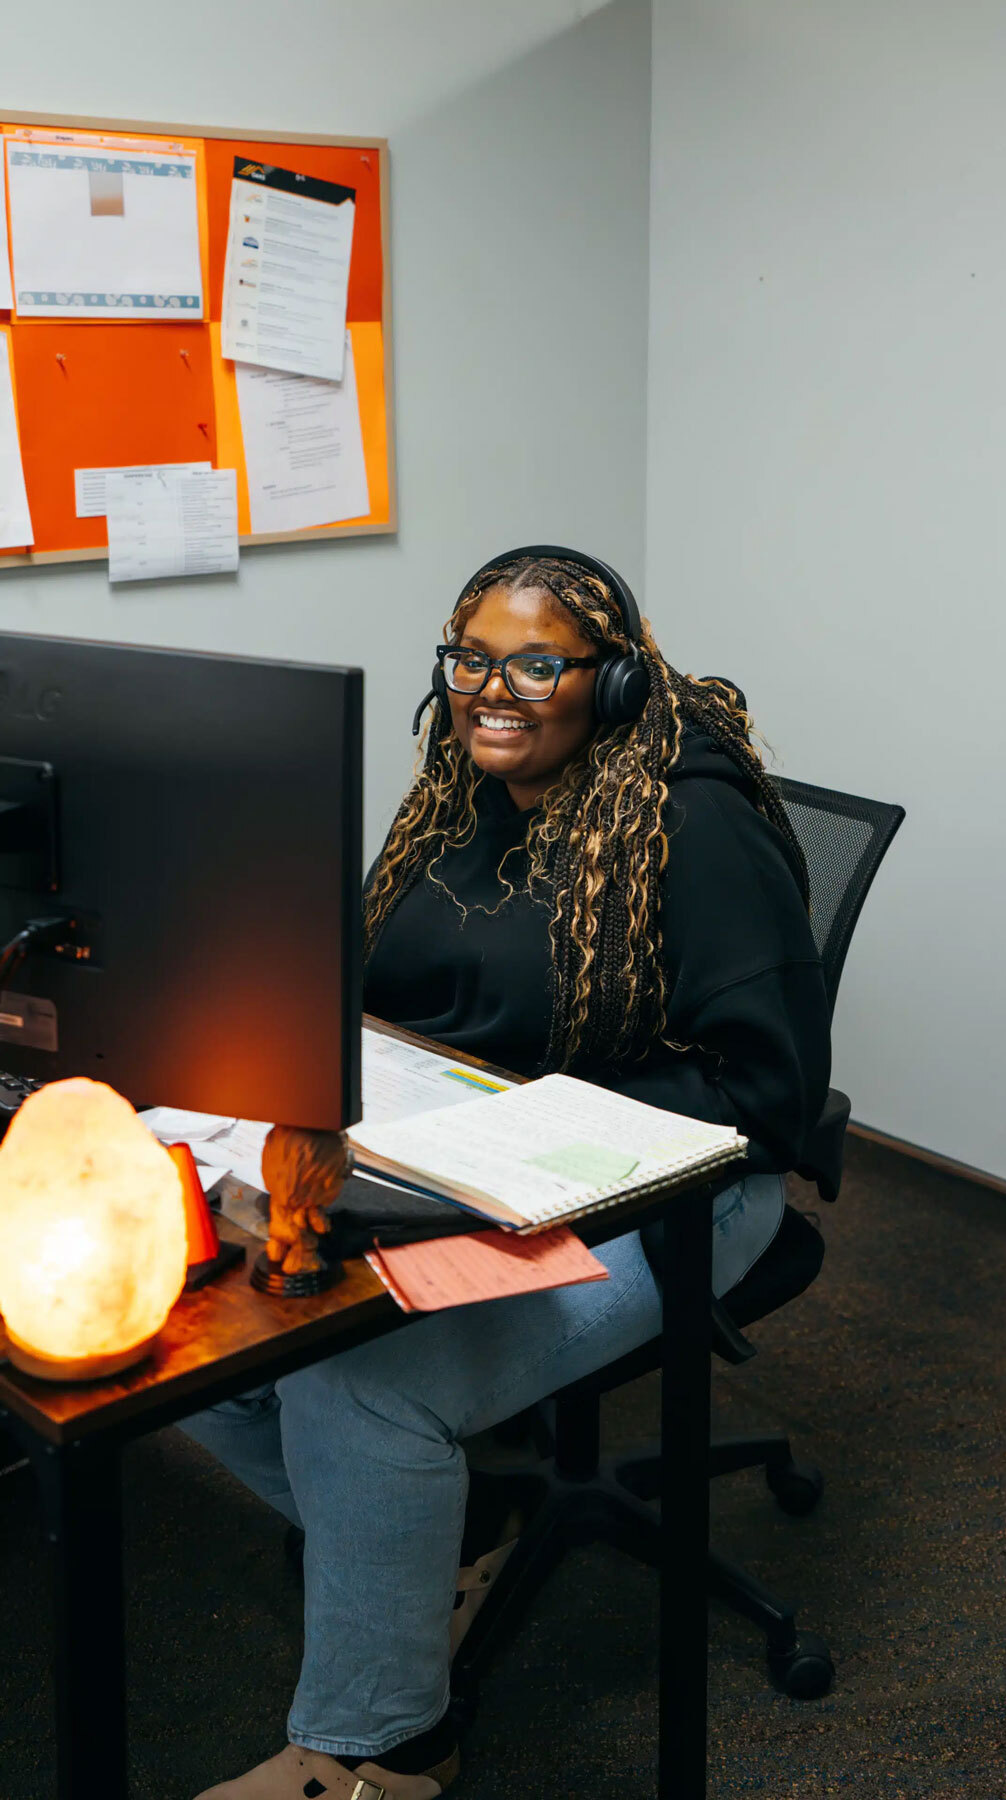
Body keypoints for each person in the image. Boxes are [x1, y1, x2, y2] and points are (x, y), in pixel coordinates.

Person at [187, 547, 832, 1800]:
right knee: (209, 1318)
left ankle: (384, 1751)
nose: (497, 688)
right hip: (469, 1161)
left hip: (690, 1192)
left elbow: (769, 1091)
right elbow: (390, 989)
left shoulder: (693, 829)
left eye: (540, 662)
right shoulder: (459, 801)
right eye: (473, 658)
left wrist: (531, 1129)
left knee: (362, 1390)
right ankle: (450, 1526)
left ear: (620, 685)